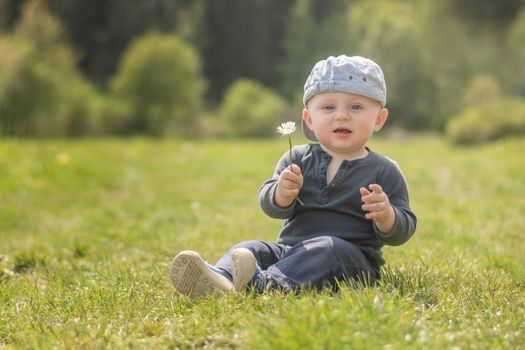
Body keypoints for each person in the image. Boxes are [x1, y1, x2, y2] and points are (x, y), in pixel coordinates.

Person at [170, 55, 417, 298]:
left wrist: (386, 216)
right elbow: (270, 205)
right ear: (309, 119)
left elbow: (404, 228)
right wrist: (281, 194)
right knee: (250, 248)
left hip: (351, 259)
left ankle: (267, 284)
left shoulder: (384, 170)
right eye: (328, 107)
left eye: (356, 107)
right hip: (289, 250)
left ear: (379, 119)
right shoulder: (296, 158)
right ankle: (221, 279)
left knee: (329, 248)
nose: (341, 115)